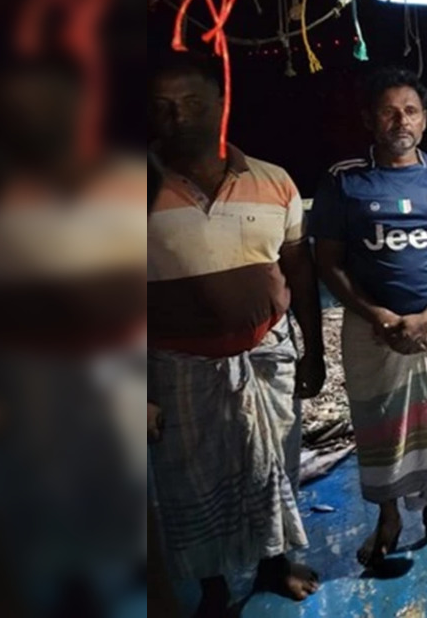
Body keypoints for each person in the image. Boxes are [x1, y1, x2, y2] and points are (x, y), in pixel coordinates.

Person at [147, 54, 325, 613]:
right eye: (163, 107)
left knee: (271, 466)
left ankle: (274, 565)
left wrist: (313, 350)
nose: (179, 118)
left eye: (194, 103)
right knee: (191, 483)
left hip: (265, 354)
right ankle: (212, 585)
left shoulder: (272, 181)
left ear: (221, 106)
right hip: (177, 363)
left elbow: (298, 268)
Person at [311, 67, 427, 562]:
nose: (400, 120)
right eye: (389, 111)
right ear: (370, 119)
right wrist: (374, 313)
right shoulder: (344, 181)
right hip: (371, 329)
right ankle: (387, 515)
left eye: (410, 110)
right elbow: (328, 262)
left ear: (424, 120)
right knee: (379, 420)